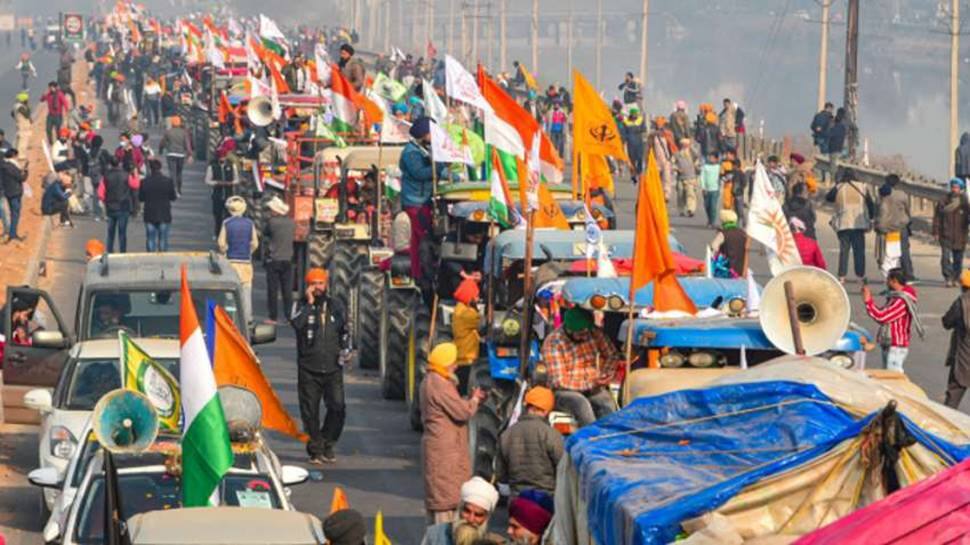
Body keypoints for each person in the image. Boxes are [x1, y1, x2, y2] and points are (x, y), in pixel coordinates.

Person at [420, 343, 487, 524]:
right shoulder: (439, 384)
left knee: (444, 500)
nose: (456, 365)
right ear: (445, 363)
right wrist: (474, 400)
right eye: (453, 362)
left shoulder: (433, 380)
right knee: (445, 505)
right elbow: (461, 412)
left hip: (442, 450)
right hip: (445, 453)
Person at [291, 268, 351, 464]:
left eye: (321, 283)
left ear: (326, 285)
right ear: (307, 285)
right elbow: (297, 324)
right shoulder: (300, 305)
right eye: (313, 284)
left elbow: (344, 331)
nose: (318, 288)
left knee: (338, 407)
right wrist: (308, 304)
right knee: (310, 413)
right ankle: (315, 450)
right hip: (309, 368)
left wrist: (346, 350)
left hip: (333, 367)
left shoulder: (336, 306)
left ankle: (328, 442)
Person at [541, 307, 622, 427]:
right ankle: (591, 439)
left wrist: (605, 374)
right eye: (580, 334)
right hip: (565, 391)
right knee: (581, 404)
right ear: (569, 330)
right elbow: (559, 381)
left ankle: (610, 438)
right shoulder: (553, 342)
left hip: (593, 387)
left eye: (586, 333)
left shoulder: (594, 332)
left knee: (607, 404)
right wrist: (590, 384)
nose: (585, 336)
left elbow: (612, 355)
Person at [495, 386, 563, 498]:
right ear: (546, 410)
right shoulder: (552, 434)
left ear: (527, 406)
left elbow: (501, 474)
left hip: (517, 499)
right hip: (544, 501)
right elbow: (562, 467)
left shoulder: (507, 434)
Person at [399, 117, 445, 280]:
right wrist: (439, 166)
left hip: (425, 199)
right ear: (424, 134)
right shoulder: (411, 152)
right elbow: (420, 174)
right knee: (419, 239)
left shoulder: (424, 150)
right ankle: (419, 274)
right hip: (415, 201)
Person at [863, 268, 922, 373]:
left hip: (896, 346)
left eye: (888, 280)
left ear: (894, 281)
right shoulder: (895, 296)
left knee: (893, 377)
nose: (886, 283)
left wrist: (868, 301)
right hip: (889, 343)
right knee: (887, 376)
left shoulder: (901, 300)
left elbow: (882, 317)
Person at [420, 476, 501, 545]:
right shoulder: (435, 535)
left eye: (478, 515)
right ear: (460, 509)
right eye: (467, 511)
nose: (470, 519)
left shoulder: (490, 542)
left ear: (486, 518)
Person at [218, 196, 259, 324]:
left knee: (230, 293)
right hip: (245, 263)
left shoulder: (227, 223)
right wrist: (248, 251)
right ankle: (247, 318)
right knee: (246, 291)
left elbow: (221, 243)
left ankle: (231, 317)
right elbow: (255, 243)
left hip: (231, 263)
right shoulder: (249, 223)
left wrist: (225, 251)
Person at [825, 169, 871, 284]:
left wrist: (837, 185)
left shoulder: (839, 187)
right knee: (859, 251)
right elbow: (870, 204)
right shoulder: (863, 187)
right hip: (858, 224)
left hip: (843, 223)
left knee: (844, 250)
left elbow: (828, 198)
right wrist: (871, 218)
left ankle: (841, 276)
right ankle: (860, 276)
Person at [263, 197, 296, 325]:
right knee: (287, 290)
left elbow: (265, 234)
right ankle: (289, 316)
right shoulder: (291, 222)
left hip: (274, 259)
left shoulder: (272, 223)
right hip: (287, 259)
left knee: (272, 290)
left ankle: (273, 316)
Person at [875, 174, 914, 280]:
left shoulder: (880, 194)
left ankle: (889, 274)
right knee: (903, 251)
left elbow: (877, 210)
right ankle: (907, 274)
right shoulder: (902, 195)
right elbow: (908, 210)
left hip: (885, 228)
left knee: (887, 253)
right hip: (900, 227)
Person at [934, 178, 970, 287]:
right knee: (945, 258)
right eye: (953, 187)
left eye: (957, 187)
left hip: (960, 235)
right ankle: (948, 277)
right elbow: (937, 217)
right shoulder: (944, 200)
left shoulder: (964, 202)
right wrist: (935, 231)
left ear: (961, 189)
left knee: (958, 259)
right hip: (946, 234)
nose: (954, 189)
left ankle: (956, 277)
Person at [943, 270, 970, 409]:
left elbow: (947, 322)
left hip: (963, 360)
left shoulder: (961, 303)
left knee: (952, 399)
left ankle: (944, 429)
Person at [139, 159, 176, 252]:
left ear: (151, 169)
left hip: (149, 213)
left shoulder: (145, 182)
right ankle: (163, 258)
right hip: (164, 213)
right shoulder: (168, 181)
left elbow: (141, 198)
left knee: (150, 238)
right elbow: (173, 197)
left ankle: (151, 257)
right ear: (160, 168)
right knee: (163, 238)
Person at [452, 277, 481, 385]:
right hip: (466, 358)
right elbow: (482, 322)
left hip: (461, 356)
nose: (478, 298)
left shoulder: (459, 308)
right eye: (476, 295)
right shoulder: (466, 314)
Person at [100, 155, 132, 253]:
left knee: (110, 232)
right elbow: (135, 185)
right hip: (123, 207)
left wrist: (105, 201)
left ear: (110, 164)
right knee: (122, 232)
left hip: (110, 207)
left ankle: (110, 251)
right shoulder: (126, 175)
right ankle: (122, 251)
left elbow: (100, 192)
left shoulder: (106, 176)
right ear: (120, 163)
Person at [709, 209, 748, 277]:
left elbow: (713, 247)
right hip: (741, 269)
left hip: (727, 269)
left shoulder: (723, 234)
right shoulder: (743, 233)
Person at [1, 148, 27, 243]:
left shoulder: (4, 166)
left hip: (8, 192)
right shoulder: (12, 166)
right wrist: (26, 171)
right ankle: (13, 235)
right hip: (15, 192)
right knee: (15, 214)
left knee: (13, 213)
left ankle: (12, 234)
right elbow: (21, 178)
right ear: (13, 156)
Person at [672, 138, 697, 217]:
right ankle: (681, 209)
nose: (685, 147)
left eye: (686, 145)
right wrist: (676, 168)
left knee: (691, 194)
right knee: (680, 194)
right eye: (683, 145)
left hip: (691, 177)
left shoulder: (692, 154)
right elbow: (672, 164)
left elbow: (697, 161)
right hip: (680, 178)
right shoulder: (677, 154)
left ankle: (691, 209)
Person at [623, 107, 646, 182]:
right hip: (630, 142)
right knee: (631, 159)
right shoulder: (626, 122)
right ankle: (633, 174)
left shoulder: (640, 121)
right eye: (633, 114)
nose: (634, 116)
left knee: (640, 158)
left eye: (635, 114)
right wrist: (624, 141)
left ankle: (639, 172)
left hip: (639, 142)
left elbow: (644, 130)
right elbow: (624, 133)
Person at [699, 152, 721, 228]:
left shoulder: (719, 167)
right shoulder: (705, 167)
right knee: (707, 206)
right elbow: (702, 177)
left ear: (716, 159)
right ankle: (709, 219)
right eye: (710, 157)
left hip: (715, 189)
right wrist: (703, 187)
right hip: (706, 190)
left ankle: (712, 222)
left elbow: (721, 176)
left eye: (712, 157)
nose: (710, 159)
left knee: (713, 206)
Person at [827, 107, 848, 180]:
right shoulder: (844, 125)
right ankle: (836, 181)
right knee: (837, 168)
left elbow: (830, 135)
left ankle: (834, 182)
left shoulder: (836, 125)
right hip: (841, 149)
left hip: (834, 149)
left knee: (833, 169)